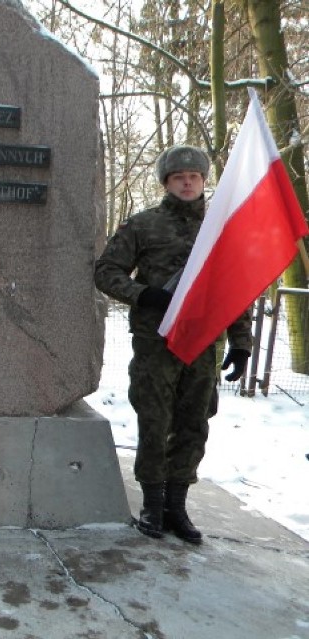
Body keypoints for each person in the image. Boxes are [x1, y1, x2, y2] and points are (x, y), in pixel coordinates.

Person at [94, 145, 252, 544]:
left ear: (203, 182)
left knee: (193, 423)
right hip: (157, 342)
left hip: (202, 343)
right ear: (166, 181)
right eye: (179, 176)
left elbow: (233, 290)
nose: (187, 182)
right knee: (155, 420)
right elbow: (107, 271)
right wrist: (144, 295)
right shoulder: (143, 225)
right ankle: (152, 502)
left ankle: (177, 505)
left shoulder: (220, 231)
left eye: (194, 176)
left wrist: (240, 342)